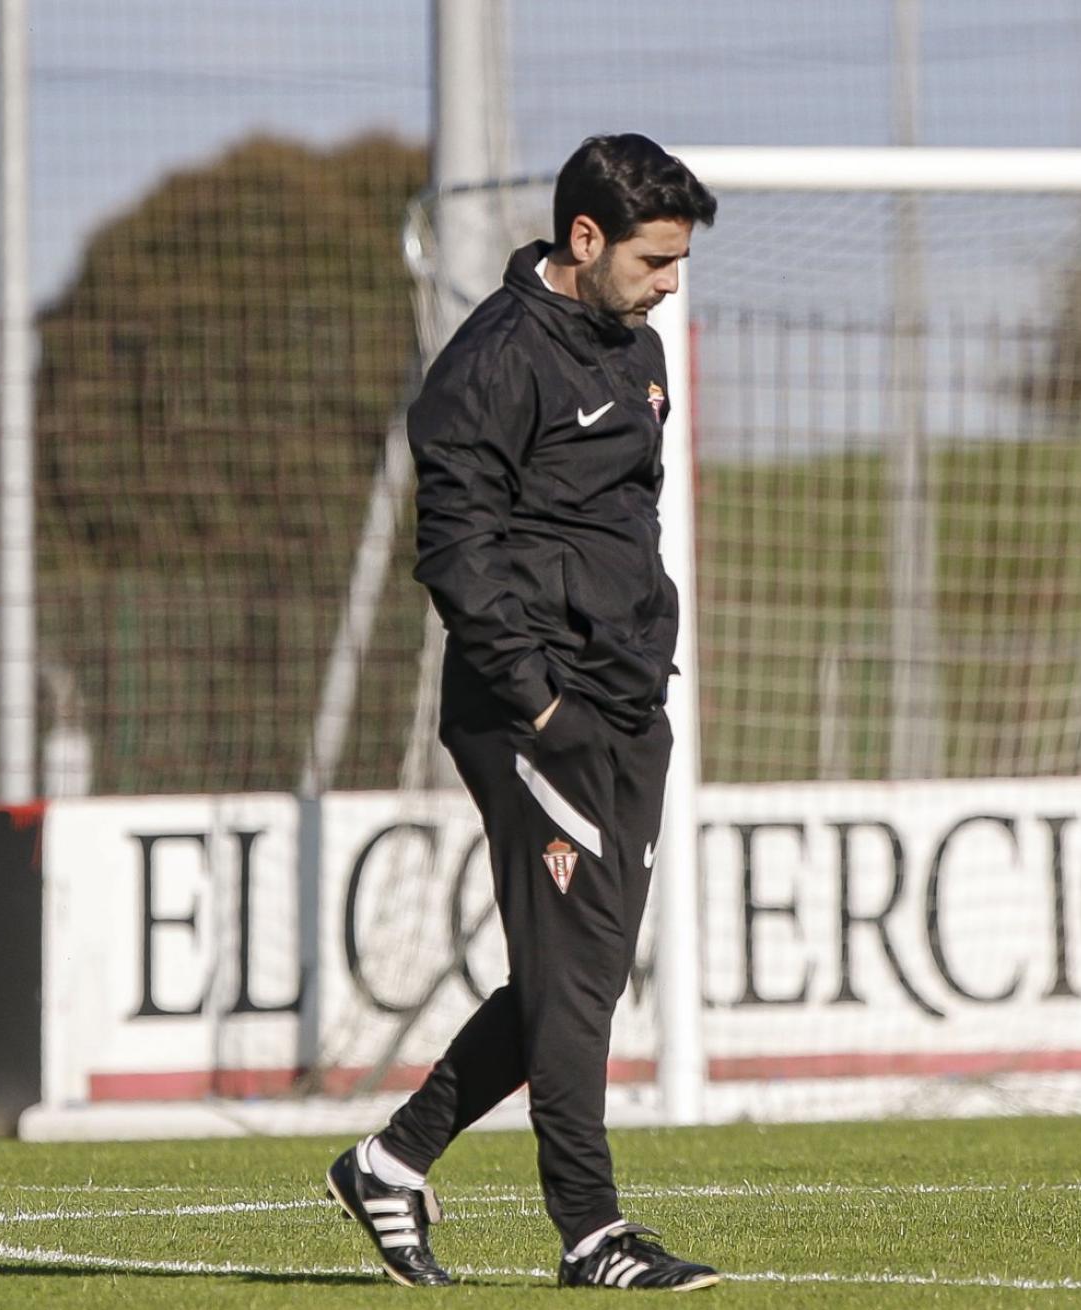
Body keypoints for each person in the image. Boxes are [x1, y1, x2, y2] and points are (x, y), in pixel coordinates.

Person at [326, 133, 719, 1292]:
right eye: (655, 259)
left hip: (628, 701)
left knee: (575, 975)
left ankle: (391, 1162)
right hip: (532, 710)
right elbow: (454, 550)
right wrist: (542, 702)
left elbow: (621, 526)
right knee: (577, 978)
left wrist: (633, 671)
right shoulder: (490, 362)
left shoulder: (638, 348)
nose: (670, 283)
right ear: (584, 239)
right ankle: (593, 1232)